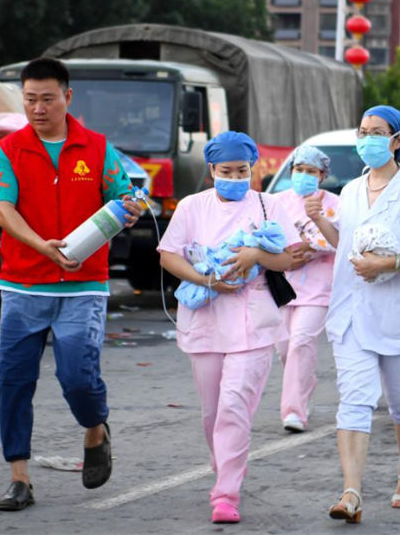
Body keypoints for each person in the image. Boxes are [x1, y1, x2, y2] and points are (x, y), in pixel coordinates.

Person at [0, 58, 143, 511]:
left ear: (67, 97)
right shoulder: (9, 150)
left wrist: (130, 208)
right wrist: (42, 246)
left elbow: (122, 196)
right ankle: (19, 477)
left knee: (77, 376)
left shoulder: (97, 148)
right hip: (22, 286)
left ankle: (95, 428)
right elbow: (2, 209)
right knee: (14, 381)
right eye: (30, 99)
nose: (38, 108)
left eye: (47, 99)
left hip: (82, 286)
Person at [306, 106, 400, 522]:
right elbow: (346, 243)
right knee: (354, 399)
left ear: (397, 141)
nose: (367, 139)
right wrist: (319, 221)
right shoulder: (350, 191)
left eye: (377, 132)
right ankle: (351, 492)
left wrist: (386, 265)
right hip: (352, 311)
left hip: (399, 315)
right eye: (363, 131)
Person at [157, 131, 299, 524]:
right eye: (226, 171)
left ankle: (226, 494)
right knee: (212, 412)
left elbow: (287, 259)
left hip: (254, 322)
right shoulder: (192, 206)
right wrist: (206, 280)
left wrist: (256, 254)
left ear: (252, 168)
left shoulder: (269, 204)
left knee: (235, 406)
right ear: (211, 170)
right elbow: (168, 256)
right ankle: (224, 464)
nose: (235, 177)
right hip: (205, 319)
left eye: (242, 170)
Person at [273, 145, 339, 433]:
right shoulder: (276, 202)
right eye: (299, 170)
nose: (303, 175)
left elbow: (339, 240)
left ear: (322, 175)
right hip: (281, 286)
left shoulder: (334, 204)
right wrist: (285, 253)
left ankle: (294, 412)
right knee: (285, 349)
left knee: (301, 342)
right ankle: (305, 385)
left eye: (311, 171)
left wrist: (310, 245)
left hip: (318, 288)